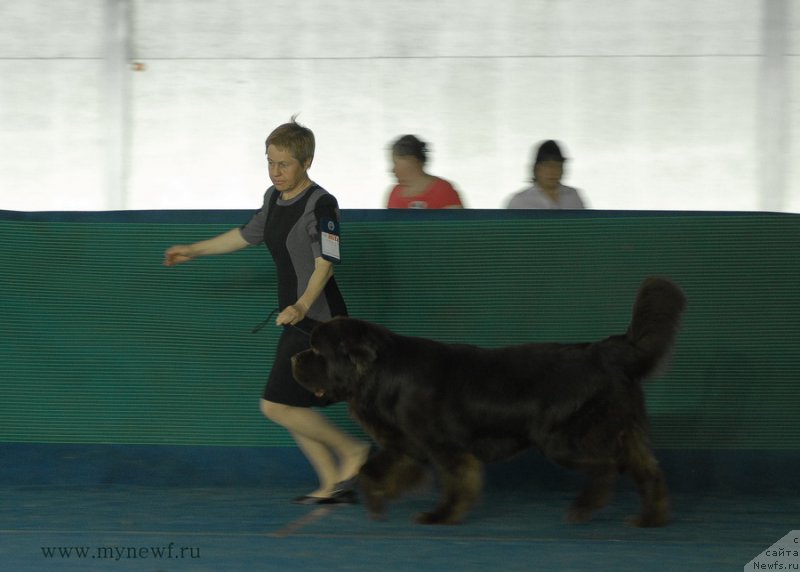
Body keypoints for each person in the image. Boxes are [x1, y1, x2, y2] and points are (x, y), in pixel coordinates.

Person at [164, 118, 369, 504]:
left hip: (321, 321)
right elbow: (245, 235)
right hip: (296, 317)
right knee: (286, 404)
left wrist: (302, 305)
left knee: (275, 404)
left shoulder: (321, 204)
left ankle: (354, 452)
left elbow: (327, 260)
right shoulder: (273, 199)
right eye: (270, 162)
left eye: (284, 164)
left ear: (307, 162)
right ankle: (330, 484)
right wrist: (193, 249)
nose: (276, 172)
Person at [386, 135, 463, 209]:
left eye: (395, 163)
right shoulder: (395, 193)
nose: (392, 170)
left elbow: (458, 222)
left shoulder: (443, 190)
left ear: (410, 160)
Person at [505, 140, 586, 209]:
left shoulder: (573, 196)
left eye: (557, 166)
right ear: (536, 169)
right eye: (547, 165)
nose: (552, 171)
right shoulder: (520, 201)